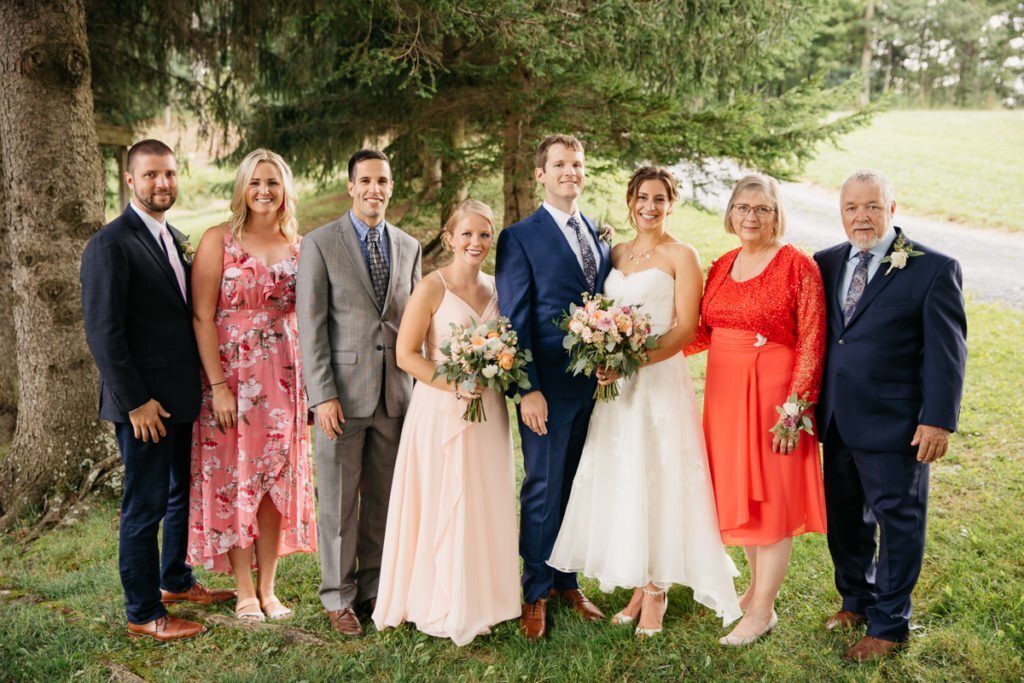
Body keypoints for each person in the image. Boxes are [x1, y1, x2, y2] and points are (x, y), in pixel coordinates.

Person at [547, 167, 742, 638]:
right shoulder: (616, 252)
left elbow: (686, 330)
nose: (650, 207)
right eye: (642, 198)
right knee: (627, 474)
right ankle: (639, 583)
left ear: (671, 204)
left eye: (659, 199)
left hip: (656, 380)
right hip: (616, 388)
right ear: (631, 201)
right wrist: (600, 353)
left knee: (659, 475)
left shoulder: (683, 255)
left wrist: (634, 361)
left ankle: (657, 591)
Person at [81, 139, 234, 642]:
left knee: (177, 496)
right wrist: (137, 402)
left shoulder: (173, 237)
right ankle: (144, 612)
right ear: (130, 180)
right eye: (150, 175)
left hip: (180, 399)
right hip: (144, 405)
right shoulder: (111, 243)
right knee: (144, 507)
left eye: (168, 174)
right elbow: (104, 333)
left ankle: (174, 580)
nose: (161, 183)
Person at [814, 170, 967, 662]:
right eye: (851, 208)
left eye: (872, 207)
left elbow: (947, 353)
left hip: (897, 424)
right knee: (845, 521)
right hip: (836, 418)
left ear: (892, 210)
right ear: (841, 213)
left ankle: (890, 624)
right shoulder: (825, 262)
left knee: (897, 522)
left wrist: (938, 419)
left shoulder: (933, 269)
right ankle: (855, 601)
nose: (861, 216)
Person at [688, 174, 827, 646]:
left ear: (776, 214)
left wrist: (794, 410)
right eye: (743, 208)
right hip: (726, 395)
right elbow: (705, 332)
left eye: (762, 209)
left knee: (770, 499)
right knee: (743, 494)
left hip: (773, 396)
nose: (751, 216)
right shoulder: (723, 263)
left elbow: (812, 340)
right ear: (731, 214)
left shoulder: (796, 265)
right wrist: (642, 350)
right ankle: (754, 589)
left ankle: (763, 611)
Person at [372, 200, 520, 645]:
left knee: (483, 496)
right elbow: (406, 355)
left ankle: (486, 597)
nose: (476, 242)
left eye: (485, 234)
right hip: (440, 409)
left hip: (488, 409)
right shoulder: (431, 288)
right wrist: (454, 383)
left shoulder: (499, 288)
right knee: (445, 498)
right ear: (450, 238)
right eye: (468, 234)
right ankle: (442, 598)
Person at [185, 149, 317, 622]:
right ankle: (243, 592)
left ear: (286, 191)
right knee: (234, 480)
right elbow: (201, 315)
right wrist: (218, 385)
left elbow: (312, 315)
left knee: (274, 482)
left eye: (274, 183)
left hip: (285, 376)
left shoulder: (300, 245)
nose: (264, 190)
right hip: (230, 379)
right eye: (256, 181)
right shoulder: (219, 239)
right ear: (242, 187)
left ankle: (269, 589)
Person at [296, 149, 423, 637]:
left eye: (383, 180)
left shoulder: (408, 246)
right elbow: (312, 327)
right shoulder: (320, 243)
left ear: (391, 187)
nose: (375, 189)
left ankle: (375, 589)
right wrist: (322, 396)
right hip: (341, 399)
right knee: (339, 501)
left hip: (396, 394)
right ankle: (338, 595)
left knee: (385, 501)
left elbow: (414, 323)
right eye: (365, 180)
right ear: (351, 186)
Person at [495, 134, 612, 641]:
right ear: (540, 174)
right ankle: (535, 591)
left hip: (595, 388)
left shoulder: (597, 234)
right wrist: (528, 390)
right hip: (547, 388)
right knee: (542, 488)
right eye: (560, 164)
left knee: (577, 484)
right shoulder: (520, 237)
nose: (571, 172)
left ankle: (567, 579)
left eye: (577, 164)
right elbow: (514, 319)